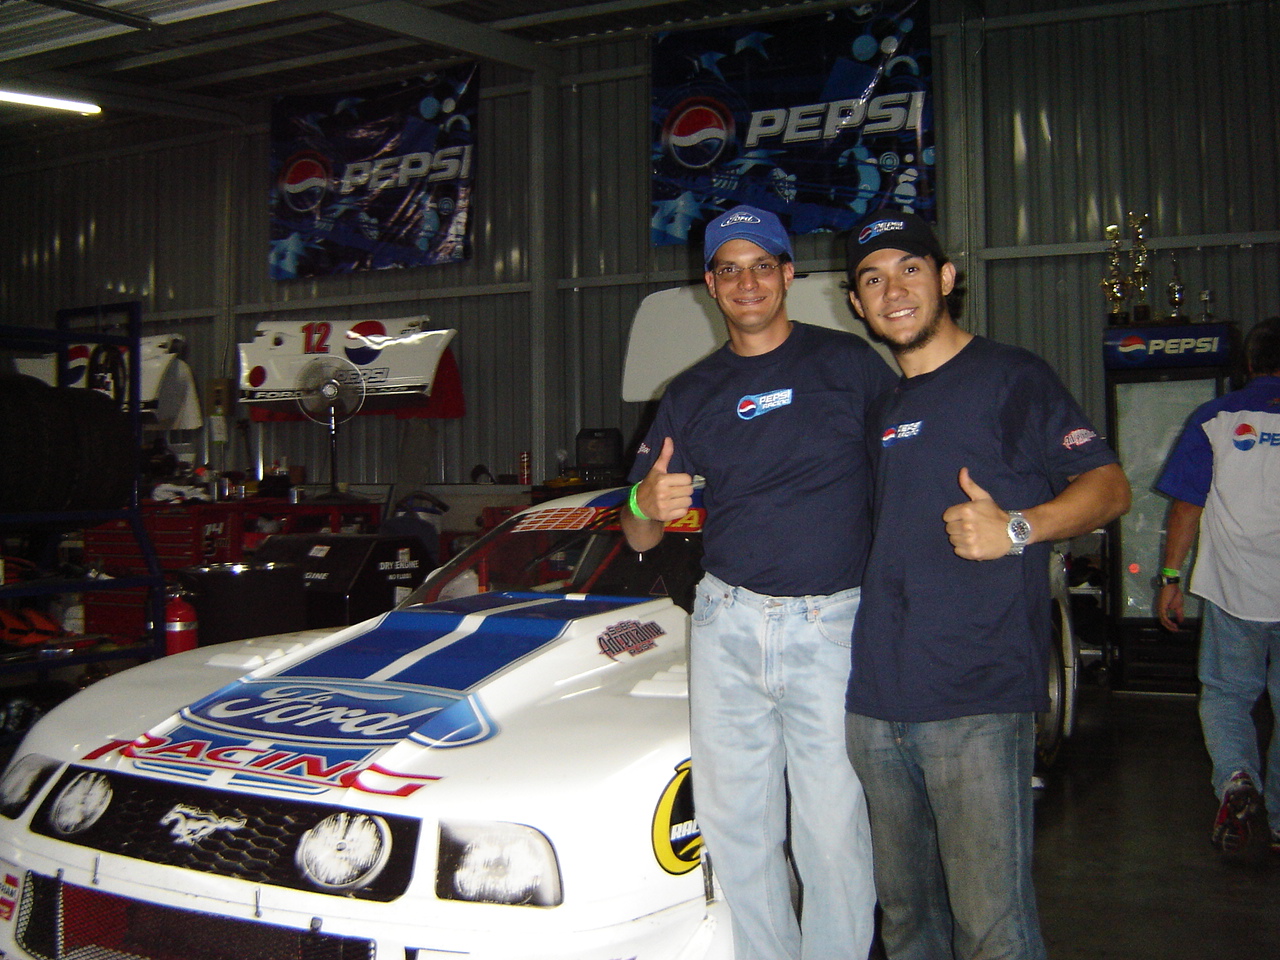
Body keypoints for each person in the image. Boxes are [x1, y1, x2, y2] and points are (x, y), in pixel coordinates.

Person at [842, 209, 1131, 960]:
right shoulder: (882, 407)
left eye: (910, 269)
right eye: (872, 279)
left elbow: (1108, 487)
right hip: (876, 704)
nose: (893, 291)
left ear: (945, 278)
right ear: (857, 304)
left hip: (976, 699)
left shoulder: (1012, 377)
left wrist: (1018, 529)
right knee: (907, 929)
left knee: (992, 931)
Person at [622, 204, 896, 960]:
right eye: (729, 269)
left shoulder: (849, 366)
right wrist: (644, 503)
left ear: (788, 274)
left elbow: (909, 465)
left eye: (762, 266)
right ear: (710, 284)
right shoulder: (690, 392)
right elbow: (637, 531)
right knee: (737, 828)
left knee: (832, 831)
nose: (747, 283)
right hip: (726, 624)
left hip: (831, 625)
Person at [1154, 315, 1280, 863]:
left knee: (1228, 695)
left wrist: (1170, 579)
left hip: (1236, 591)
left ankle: (1236, 781)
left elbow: (1188, 506)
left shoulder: (1215, 418)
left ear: (1248, 364)